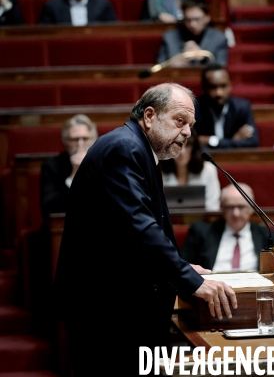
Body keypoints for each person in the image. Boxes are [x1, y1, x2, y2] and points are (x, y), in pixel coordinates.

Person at [54, 83, 237, 375]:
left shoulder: (138, 149)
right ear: (149, 116)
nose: (188, 132)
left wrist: (181, 266)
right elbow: (139, 227)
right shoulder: (126, 148)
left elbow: (128, 236)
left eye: (190, 124)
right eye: (180, 121)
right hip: (107, 315)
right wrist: (190, 280)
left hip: (118, 309)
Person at [181, 183, 274, 271]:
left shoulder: (267, 236)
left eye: (241, 207)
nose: (235, 214)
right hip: (214, 288)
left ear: (251, 209)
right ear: (222, 209)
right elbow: (183, 267)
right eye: (230, 207)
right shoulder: (201, 232)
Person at [40, 114, 98, 217]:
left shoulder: (107, 162)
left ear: (94, 140)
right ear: (65, 142)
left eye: (85, 139)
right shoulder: (52, 166)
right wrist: (74, 175)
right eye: (75, 140)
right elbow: (49, 207)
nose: (80, 144)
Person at [195, 64, 259, 148]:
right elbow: (191, 144)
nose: (219, 93)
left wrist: (210, 140)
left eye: (223, 86)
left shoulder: (242, 108)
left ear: (230, 86)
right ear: (204, 89)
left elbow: (253, 142)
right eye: (213, 87)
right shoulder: (194, 109)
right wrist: (233, 141)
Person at [156, 0, 228, 66]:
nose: (192, 24)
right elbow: (159, 67)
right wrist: (171, 65)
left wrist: (202, 58)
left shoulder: (219, 38)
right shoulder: (169, 37)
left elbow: (220, 70)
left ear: (207, 18)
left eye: (197, 19)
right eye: (188, 20)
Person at [161, 130, 220, 210]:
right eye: (178, 145)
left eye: (188, 145)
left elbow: (213, 206)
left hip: (201, 221)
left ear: (194, 148)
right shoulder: (159, 171)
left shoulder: (208, 169)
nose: (182, 151)